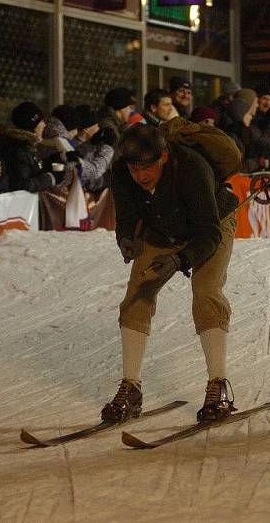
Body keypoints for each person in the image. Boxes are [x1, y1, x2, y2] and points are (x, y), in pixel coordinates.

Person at [104, 124, 238, 423]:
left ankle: (219, 385)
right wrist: (126, 240)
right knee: (136, 295)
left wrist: (180, 260)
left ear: (163, 156)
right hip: (162, 228)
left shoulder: (191, 167)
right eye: (134, 168)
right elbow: (127, 216)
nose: (140, 176)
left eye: (147, 167)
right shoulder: (122, 173)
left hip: (212, 224)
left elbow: (209, 232)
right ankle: (131, 386)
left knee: (206, 293)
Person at [0, 101, 64, 192]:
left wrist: (55, 159)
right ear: (32, 125)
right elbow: (22, 185)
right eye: (41, 121)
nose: (44, 125)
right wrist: (51, 178)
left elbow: (32, 168)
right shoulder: (19, 149)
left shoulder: (25, 145)